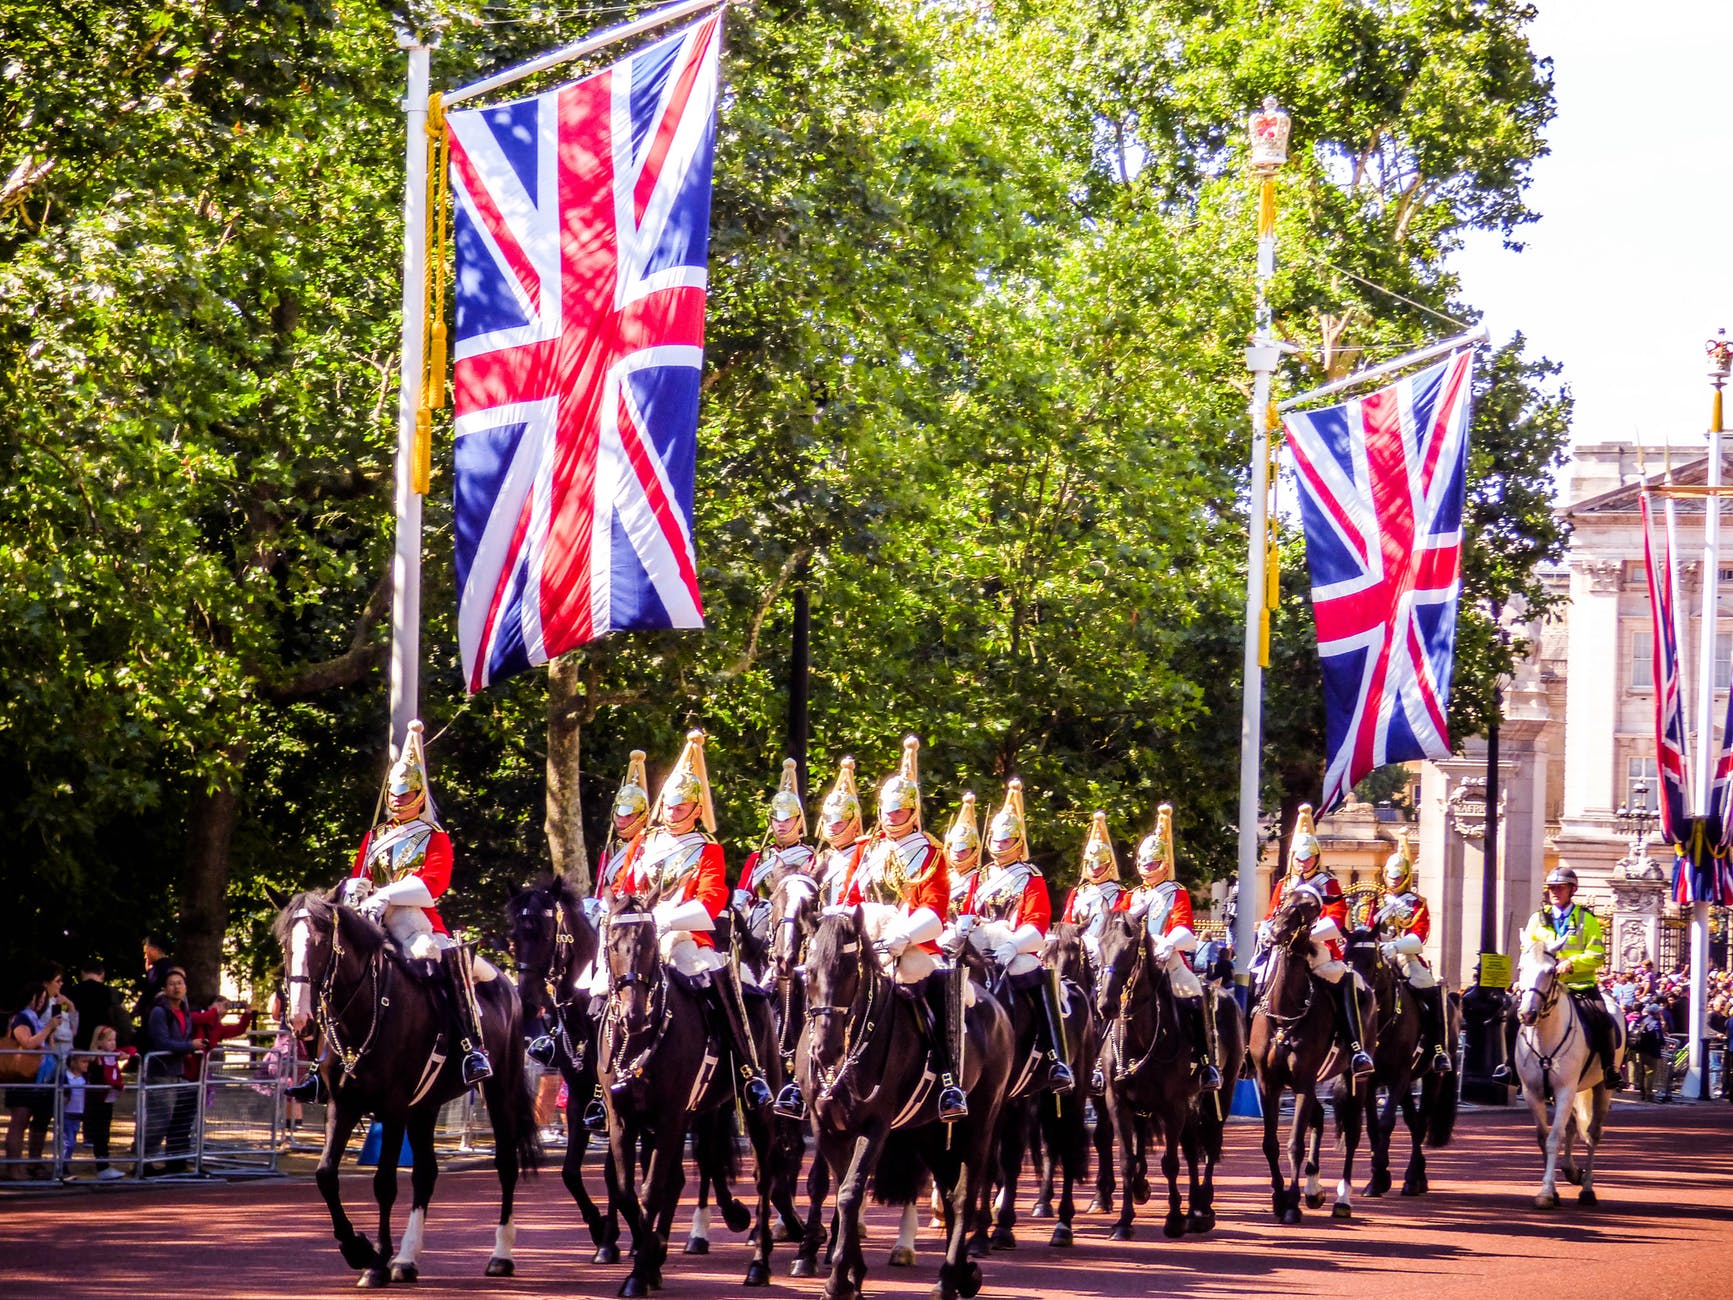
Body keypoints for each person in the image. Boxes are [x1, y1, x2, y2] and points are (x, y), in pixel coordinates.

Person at [616, 730, 773, 1116]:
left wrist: (664, 919)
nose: (672, 811)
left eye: (680, 805)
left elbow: (710, 900)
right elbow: (626, 888)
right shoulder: (643, 844)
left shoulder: (707, 849)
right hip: (638, 935)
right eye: (668, 805)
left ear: (696, 808)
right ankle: (590, 1075)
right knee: (594, 983)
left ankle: (747, 1069)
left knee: (722, 982)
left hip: (684, 935)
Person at [342, 719, 494, 1089]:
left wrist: (385, 894)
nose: (397, 801)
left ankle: (470, 1046)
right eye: (393, 795)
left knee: (440, 962)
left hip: (415, 921)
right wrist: (353, 887)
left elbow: (433, 885)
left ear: (420, 796)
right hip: (370, 918)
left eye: (405, 795)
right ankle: (322, 1065)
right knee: (334, 964)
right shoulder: (373, 836)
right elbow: (357, 874)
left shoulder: (434, 837)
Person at [830, 737, 963, 1120]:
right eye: (886, 811)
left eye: (899, 811)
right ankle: (799, 1071)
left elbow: (935, 910)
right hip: (865, 942)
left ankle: (948, 1077)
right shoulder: (865, 847)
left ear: (912, 811)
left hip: (908, 945)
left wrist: (903, 935)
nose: (890, 818)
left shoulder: (930, 851)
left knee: (931, 984)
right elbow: (849, 898)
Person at [960, 778, 1075, 1096]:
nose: (998, 845)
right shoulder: (980, 876)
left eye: (1005, 839)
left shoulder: (1030, 876)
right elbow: (968, 910)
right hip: (979, 945)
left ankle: (1055, 1056)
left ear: (1017, 840)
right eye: (995, 840)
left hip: (1014, 946)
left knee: (1030, 971)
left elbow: (1037, 924)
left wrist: (1013, 944)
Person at [1257, 804, 1373, 1079]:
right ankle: (1253, 1049)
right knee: (1258, 981)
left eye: (1308, 857)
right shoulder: (1284, 884)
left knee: (1345, 982)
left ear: (1317, 857)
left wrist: (1306, 935)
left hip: (1317, 949)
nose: (1302, 862)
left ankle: (1356, 1048)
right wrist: (1265, 928)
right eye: (1298, 857)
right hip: (1283, 948)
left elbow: (1336, 918)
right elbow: (1272, 914)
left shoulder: (1328, 883)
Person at [1114, 805, 1221, 1091]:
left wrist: (1168, 943)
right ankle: (1102, 1063)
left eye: (1152, 864)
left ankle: (1204, 1060)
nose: (1147, 868)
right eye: (1144, 863)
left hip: (1168, 961)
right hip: (1133, 966)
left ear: (1163, 863)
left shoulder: (1176, 892)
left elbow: (1184, 927)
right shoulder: (1130, 896)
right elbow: (1117, 928)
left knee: (1194, 994)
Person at [1498, 866, 1620, 1090]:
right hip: (1543, 986)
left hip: (1578, 985)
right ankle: (1510, 1068)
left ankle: (1609, 1068)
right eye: (1551, 888)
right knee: (1514, 1016)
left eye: (1560, 888)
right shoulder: (1538, 919)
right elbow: (1529, 951)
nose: (1554, 892)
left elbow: (1597, 955)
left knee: (1602, 1018)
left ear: (1572, 890)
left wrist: (1571, 963)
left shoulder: (1587, 919)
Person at [1372, 831, 1453, 1076]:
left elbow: (1419, 937)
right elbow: (1366, 927)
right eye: (1390, 875)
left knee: (1429, 988)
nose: (1393, 880)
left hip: (1405, 956)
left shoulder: (1417, 903)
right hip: (1377, 953)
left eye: (1398, 876)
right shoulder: (1376, 900)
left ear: (1406, 875)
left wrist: (1396, 947)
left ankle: (1438, 1049)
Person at [140, 968, 205, 1175]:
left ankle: (163, 1160)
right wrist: (189, 1046)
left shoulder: (184, 1009)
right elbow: (162, 1042)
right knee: (159, 1118)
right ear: (165, 989)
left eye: (179, 983)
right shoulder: (160, 1012)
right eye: (171, 984)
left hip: (176, 1071)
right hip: (160, 1071)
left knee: (172, 1117)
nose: (176, 987)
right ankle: (142, 1160)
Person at [4, 972, 66, 1180]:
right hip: (22, 1076)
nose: (41, 1002)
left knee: (33, 1120)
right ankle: (13, 1167)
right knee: (19, 1122)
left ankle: (30, 1164)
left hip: (38, 1077)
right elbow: (28, 1043)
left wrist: (50, 1034)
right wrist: (48, 1028)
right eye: (38, 998)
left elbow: (45, 1045)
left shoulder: (37, 1020)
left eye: (43, 999)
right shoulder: (21, 1018)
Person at [1061, 810, 1124, 958]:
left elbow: (1119, 929)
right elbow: (1068, 923)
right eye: (1091, 865)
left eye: (1099, 866)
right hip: (1076, 950)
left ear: (1109, 866)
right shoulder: (1077, 893)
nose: (1094, 870)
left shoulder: (1120, 894)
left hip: (1105, 952)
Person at [594, 749, 650, 900]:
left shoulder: (651, 845)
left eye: (629, 815)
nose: (621, 820)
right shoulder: (611, 848)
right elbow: (602, 886)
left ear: (642, 816)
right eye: (619, 814)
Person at [816, 757, 868, 906]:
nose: (832, 827)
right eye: (828, 821)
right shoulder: (820, 858)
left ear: (855, 825)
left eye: (839, 823)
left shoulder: (865, 855)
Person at [86, 1024, 131, 1180]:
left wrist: (123, 1056)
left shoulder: (112, 1056)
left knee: (105, 1133)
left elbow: (130, 1052)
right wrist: (118, 1086)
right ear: (99, 1042)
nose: (113, 1043)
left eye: (114, 1040)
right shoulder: (97, 1058)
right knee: (101, 1133)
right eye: (109, 1040)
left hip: (108, 1099)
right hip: (98, 1100)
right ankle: (102, 1167)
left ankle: (104, 1165)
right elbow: (104, 1077)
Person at [186, 996, 255, 1086]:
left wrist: (246, 1015)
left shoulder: (217, 1027)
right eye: (220, 1005)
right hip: (186, 1068)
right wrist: (215, 1011)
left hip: (201, 1072)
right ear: (210, 1005)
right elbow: (201, 1018)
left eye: (225, 1007)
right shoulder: (195, 1015)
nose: (223, 1010)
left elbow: (237, 1030)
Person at [68, 960, 128, 1053]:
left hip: (77, 1046)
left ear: (82, 973)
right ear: (102, 974)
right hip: (105, 1048)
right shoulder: (113, 994)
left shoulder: (70, 992)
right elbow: (123, 1022)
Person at [944, 792, 982, 921]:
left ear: (974, 851)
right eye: (954, 849)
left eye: (963, 851)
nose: (958, 854)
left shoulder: (981, 879)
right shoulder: (941, 875)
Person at [133, 935, 175, 1045]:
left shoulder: (158, 969)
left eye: (145, 952)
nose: (145, 956)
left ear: (152, 949)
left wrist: (135, 1011)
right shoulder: (171, 966)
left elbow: (149, 991)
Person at [1630, 999, 1672, 1103]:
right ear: (1656, 1013)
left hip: (1640, 1050)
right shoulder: (1655, 1023)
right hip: (1651, 1051)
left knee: (1641, 1072)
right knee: (1650, 1073)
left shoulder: (1642, 1020)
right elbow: (1659, 1038)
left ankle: (1643, 1093)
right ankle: (1649, 1095)